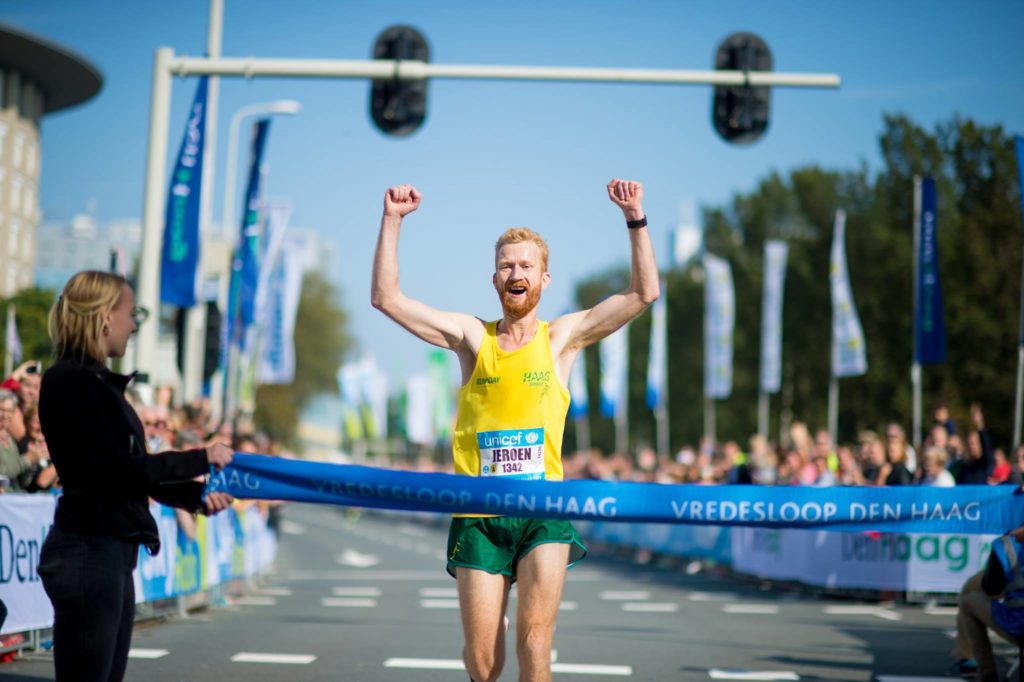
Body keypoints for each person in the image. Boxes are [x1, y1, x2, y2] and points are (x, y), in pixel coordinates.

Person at [372, 180, 658, 682]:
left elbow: (642, 293)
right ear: (495, 279)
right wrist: (392, 222)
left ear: (544, 279)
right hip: (479, 515)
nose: (515, 273)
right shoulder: (470, 338)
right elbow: (386, 298)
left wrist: (635, 218)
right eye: (507, 265)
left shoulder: (562, 339)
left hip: (542, 512)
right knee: (484, 664)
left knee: (534, 642)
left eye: (526, 266)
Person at [36, 270, 234, 682]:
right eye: (132, 314)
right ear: (106, 317)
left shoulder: (92, 382)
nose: (133, 325)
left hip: (106, 552)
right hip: (89, 553)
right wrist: (200, 458)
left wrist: (194, 497)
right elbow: (120, 471)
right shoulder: (73, 382)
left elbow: (129, 474)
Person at [952, 523, 1024, 680]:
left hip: (1018, 626)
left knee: (970, 600)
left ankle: (987, 673)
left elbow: (991, 587)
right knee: (970, 591)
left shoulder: (1007, 544)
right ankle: (969, 657)